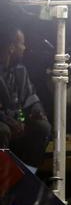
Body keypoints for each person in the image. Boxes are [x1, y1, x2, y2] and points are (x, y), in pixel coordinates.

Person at [0, 25, 51, 173]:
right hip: (5, 123)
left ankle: (27, 174)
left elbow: (31, 98)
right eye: (21, 43)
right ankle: (3, 183)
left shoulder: (21, 70)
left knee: (43, 127)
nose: (24, 47)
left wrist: (37, 112)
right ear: (11, 47)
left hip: (17, 121)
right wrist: (10, 122)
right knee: (2, 131)